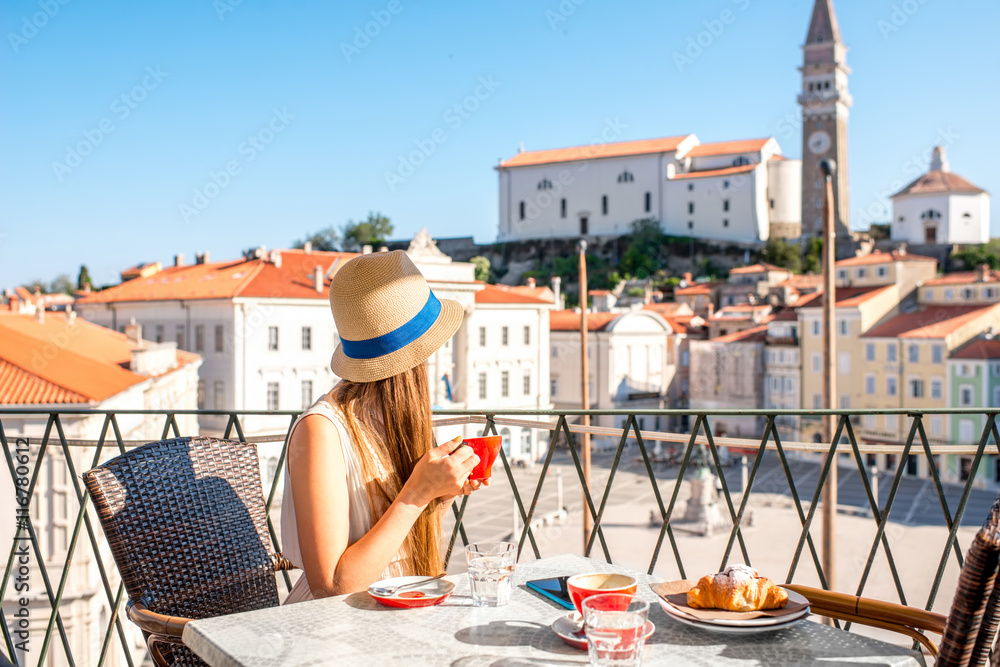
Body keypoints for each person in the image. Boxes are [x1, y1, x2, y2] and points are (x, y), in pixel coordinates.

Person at [281, 251, 484, 603]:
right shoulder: (321, 431)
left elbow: (390, 539)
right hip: (335, 635)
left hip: (400, 609)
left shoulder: (393, 416)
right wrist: (418, 493)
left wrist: (440, 493)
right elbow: (331, 587)